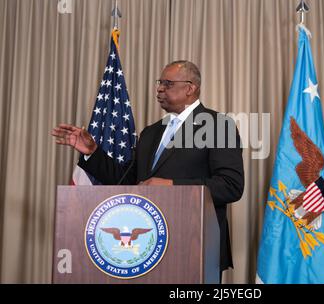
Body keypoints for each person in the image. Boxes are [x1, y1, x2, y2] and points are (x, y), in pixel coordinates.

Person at [52, 60, 244, 281]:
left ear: (190, 88)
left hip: (197, 246)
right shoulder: (151, 132)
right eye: (159, 83)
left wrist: (171, 185)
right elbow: (127, 181)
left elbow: (231, 186)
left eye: (168, 83)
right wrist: (93, 151)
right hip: (148, 250)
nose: (160, 88)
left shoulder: (218, 125)